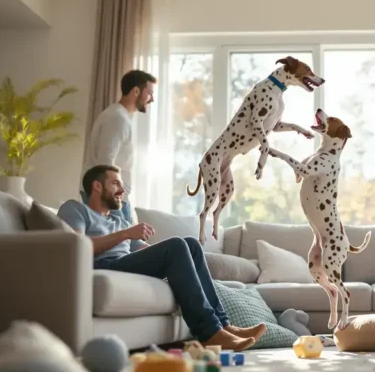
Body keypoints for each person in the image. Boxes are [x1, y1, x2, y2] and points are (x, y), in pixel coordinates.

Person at [59, 164, 265, 351]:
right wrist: (126, 234)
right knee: (176, 245)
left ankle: (224, 326)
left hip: (122, 263)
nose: (122, 190)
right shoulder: (76, 209)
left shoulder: (117, 220)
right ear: (97, 186)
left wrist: (175, 254)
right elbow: (77, 247)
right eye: (115, 184)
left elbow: (143, 250)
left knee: (190, 245)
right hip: (101, 264)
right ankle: (209, 333)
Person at [80, 70, 157, 224]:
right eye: (149, 93)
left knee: (128, 247)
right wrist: (114, 201)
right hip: (110, 200)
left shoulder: (120, 117)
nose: (152, 99)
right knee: (123, 247)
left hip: (114, 199)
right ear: (136, 91)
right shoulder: (117, 118)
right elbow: (105, 162)